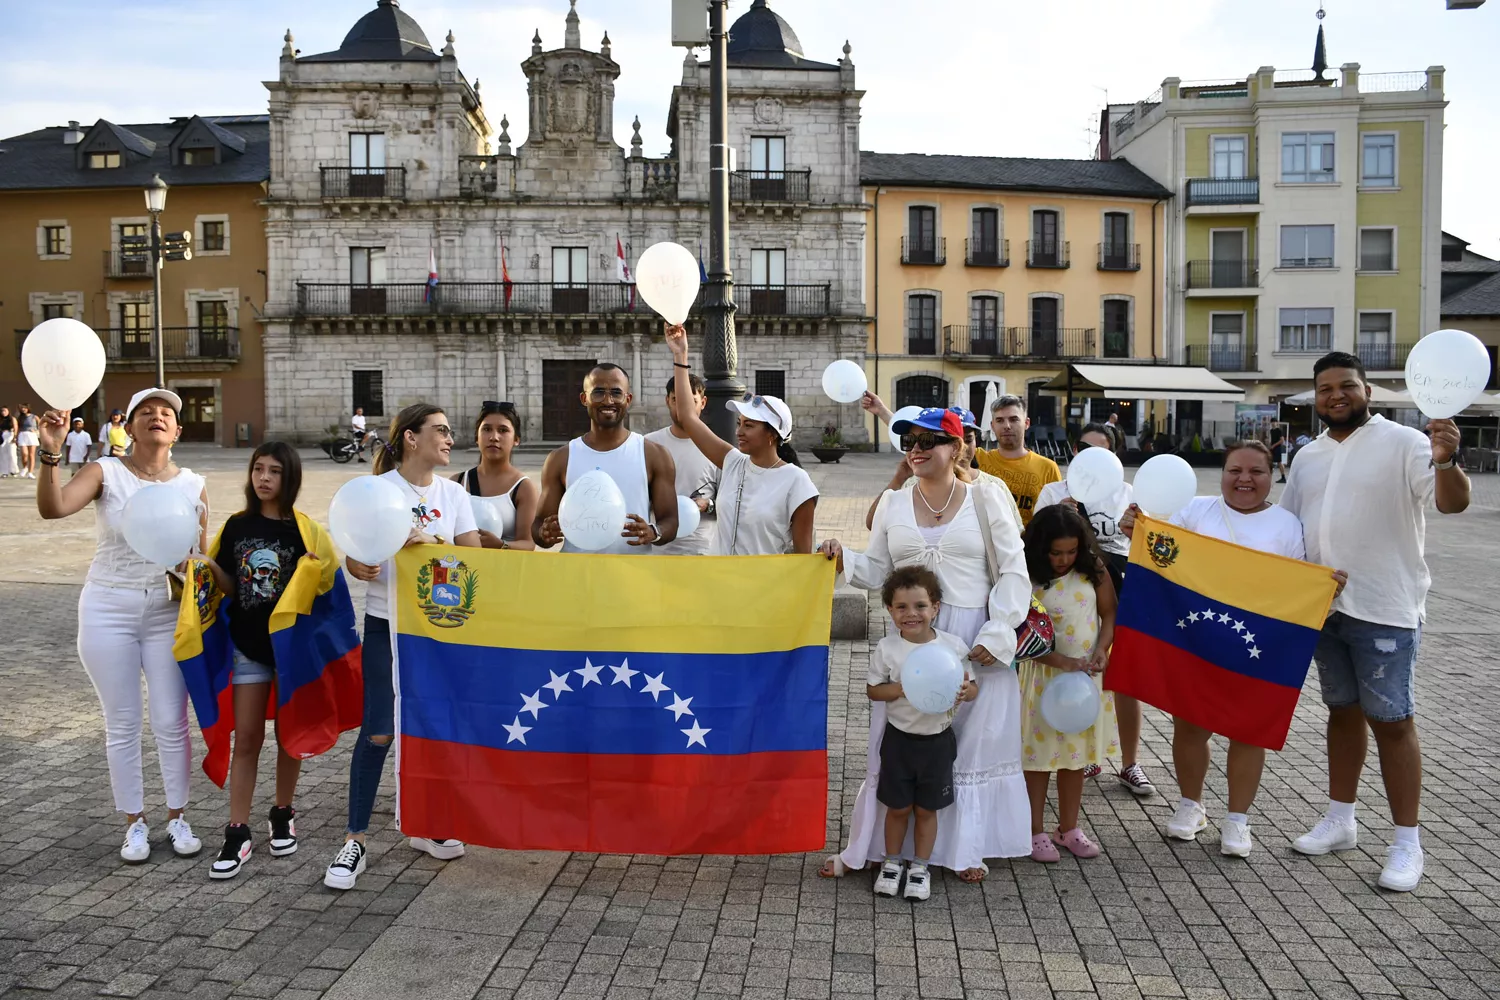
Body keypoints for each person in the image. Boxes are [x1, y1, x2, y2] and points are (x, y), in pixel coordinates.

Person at [1280, 351, 1470, 892]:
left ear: (1368, 390)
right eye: (1324, 389)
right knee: (1342, 712)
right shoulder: (1308, 455)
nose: (1335, 396)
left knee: (1393, 722)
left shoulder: (1407, 443)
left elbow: (1452, 505)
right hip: (1324, 607)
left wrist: (1446, 460)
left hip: (1384, 606)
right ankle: (1341, 819)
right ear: (1315, 397)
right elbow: (1288, 527)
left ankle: (1408, 843)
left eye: (1346, 386)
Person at [819, 406, 1031, 883]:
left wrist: (999, 633)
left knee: (970, 747)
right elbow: (878, 571)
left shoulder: (985, 499)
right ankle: (881, 845)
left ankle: (962, 848)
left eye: (927, 440)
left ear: (956, 448)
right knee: (900, 742)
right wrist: (841, 556)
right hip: (912, 640)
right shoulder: (893, 503)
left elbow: (1015, 571)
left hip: (976, 637)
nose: (915, 449)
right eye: (908, 441)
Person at [1119, 441, 1341, 857]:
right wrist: (1137, 530)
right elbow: (1163, 559)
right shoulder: (1195, 511)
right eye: (1234, 470)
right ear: (1221, 473)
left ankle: (1238, 820)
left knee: (1248, 732)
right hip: (1197, 642)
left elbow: (1297, 588)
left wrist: (1324, 590)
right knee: (1190, 726)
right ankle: (1191, 805)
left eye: (1256, 471)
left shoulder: (1288, 525)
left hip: (1256, 648)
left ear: (1271, 475)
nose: (1244, 479)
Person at [35, 388, 208, 863]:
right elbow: (53, 508)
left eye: (167, 413)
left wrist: (197, 569)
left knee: (172, 721)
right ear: (127, 428)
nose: (157, 416)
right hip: (108, 606)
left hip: (166, 613)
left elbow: (199, 561)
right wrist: (52, 450)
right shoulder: (104, 471)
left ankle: (178, 816)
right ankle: (134, 821)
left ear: (177, 431)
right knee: (123, 721)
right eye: (145, 412)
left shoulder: (193, 484)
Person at [325, 403, 481, 890]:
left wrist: (431, 542)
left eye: (450, 432)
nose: (449, 438)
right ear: (411, 438)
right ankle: (355, 840)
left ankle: (427, 825)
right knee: (378, 732)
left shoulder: (454, 494)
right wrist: (359, 565)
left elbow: (473, 558)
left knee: (432, 727)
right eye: (440, 430)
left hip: (439, 630)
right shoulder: (378, 490)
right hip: (385, 624)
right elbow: (356, 553)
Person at [199, 442, 317, 878]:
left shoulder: (304, 531)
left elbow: (322, 592)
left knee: (291, 735)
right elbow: (231, 587)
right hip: (247, 647)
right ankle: (237, 830)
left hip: (290, 651)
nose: (263, 478)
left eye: (274, 471)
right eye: (257, 469)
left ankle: (283, 811)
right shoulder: (236, 526)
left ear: (290, 479)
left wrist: (315, 570)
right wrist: (207, 568)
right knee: (246, 738)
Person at [1034, 424, 1153, 797]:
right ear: (1073, 450)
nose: (1090, 458)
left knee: (1124, 678)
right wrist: (1059, 514)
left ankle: (1130, 763)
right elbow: (1034, 542)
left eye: (1101, 452)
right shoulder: (1054, 491)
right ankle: (1087, 751)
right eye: (1083, 449)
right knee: (1079, 667)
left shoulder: (1128, 494)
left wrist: (1137, 530)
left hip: (1118, 585)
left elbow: (1151, 550)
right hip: (1071, 596)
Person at [866, 566, 978, 901]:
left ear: (936, 607)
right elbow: (874, 692)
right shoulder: (888, 648)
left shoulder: (953, 646)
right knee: (897, 808)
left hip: (938, 743)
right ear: (890, 610)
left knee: (927, 810)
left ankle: (920, 867)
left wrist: (964, 692)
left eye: (920, 606)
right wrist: (901, 689)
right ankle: (891, 862)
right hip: (900, 741)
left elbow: (971, 687)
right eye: (901, 607)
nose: (911, 614)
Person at [661, 325, 816, 554]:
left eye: (749, 425)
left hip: (763, 586)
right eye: (739, 423)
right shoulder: (733, 462)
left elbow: (804, 556)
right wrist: (680, 354)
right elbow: (687, 416)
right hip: (721, 583)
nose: (739, 432)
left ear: (772, 434)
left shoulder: (797, 481)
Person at [1018, 504, 1118, 862]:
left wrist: (1103, 648)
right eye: (1056, 552)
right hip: (1044, 678)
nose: (1064, 560)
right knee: (1038, 756)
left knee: (1074, 756)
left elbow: (1109, 613)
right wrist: (1061, 661)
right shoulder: (1026, 577)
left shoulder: (1093, 569)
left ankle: (1069, 827)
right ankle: (1033, 830)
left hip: (1084, 683)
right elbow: (1021, 637)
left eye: (1071, 551)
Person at [533, 363, 679, 552]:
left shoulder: (654, 455)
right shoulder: (560, 458)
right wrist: (545, 534)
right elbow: (538, 526)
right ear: (584, 398)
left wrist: (653, 532)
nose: (608, 400)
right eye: (598, 392)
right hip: (577, 575)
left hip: (631, 576)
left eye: (616, 393)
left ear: (628, 399)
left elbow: (671, 522)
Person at [644, 373, 720, 555]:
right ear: (667, 401)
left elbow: (733, 505)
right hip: (657, 552)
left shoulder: (717, 449)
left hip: (703, 552)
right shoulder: (647, 445)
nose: (682, 407)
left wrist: (707, 504)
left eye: (691, 401)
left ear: (703, 402)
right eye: (676, 400)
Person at [452, 401, 537, 550]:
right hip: (464, 570)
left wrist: (501, 545)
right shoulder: (457, 483)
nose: (494, 437)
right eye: (487, 429)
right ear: (476, 437)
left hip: (504, 570)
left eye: (503, 430)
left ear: (516, 439)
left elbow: (528, 544)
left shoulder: (523, 487)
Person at [974, 395, 1061, 525]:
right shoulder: (977, 459)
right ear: (992, 426)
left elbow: (1056, 515)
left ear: (1026, 423)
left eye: (1014, 419)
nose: (1007, 426)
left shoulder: (1047, 467)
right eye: (999, 420)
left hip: (1029, 543)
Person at [17, 403, 40, 479]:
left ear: (28, 408)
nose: (23, 409)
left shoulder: (34, 416)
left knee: (31, 455)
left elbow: (41, 425)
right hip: (22, 435)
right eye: (22, 408)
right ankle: (25, 468)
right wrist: (16, 437)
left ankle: (30, 472)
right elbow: (17, 427)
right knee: (24, 454)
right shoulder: (20, 417)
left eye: (25, 408)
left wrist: (36, 431)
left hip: (31, 435)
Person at [0, 405, 16, 477]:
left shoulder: (12, 419)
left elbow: (16, 428)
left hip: (10, 435)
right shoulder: (0, 419)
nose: (3, 412)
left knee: (12, 454)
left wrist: (14, 437)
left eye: (5, 411)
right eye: (2, 411)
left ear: (8, 411)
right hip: (2, 435)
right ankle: (4, 472)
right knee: (3, 454)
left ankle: (13, 470)